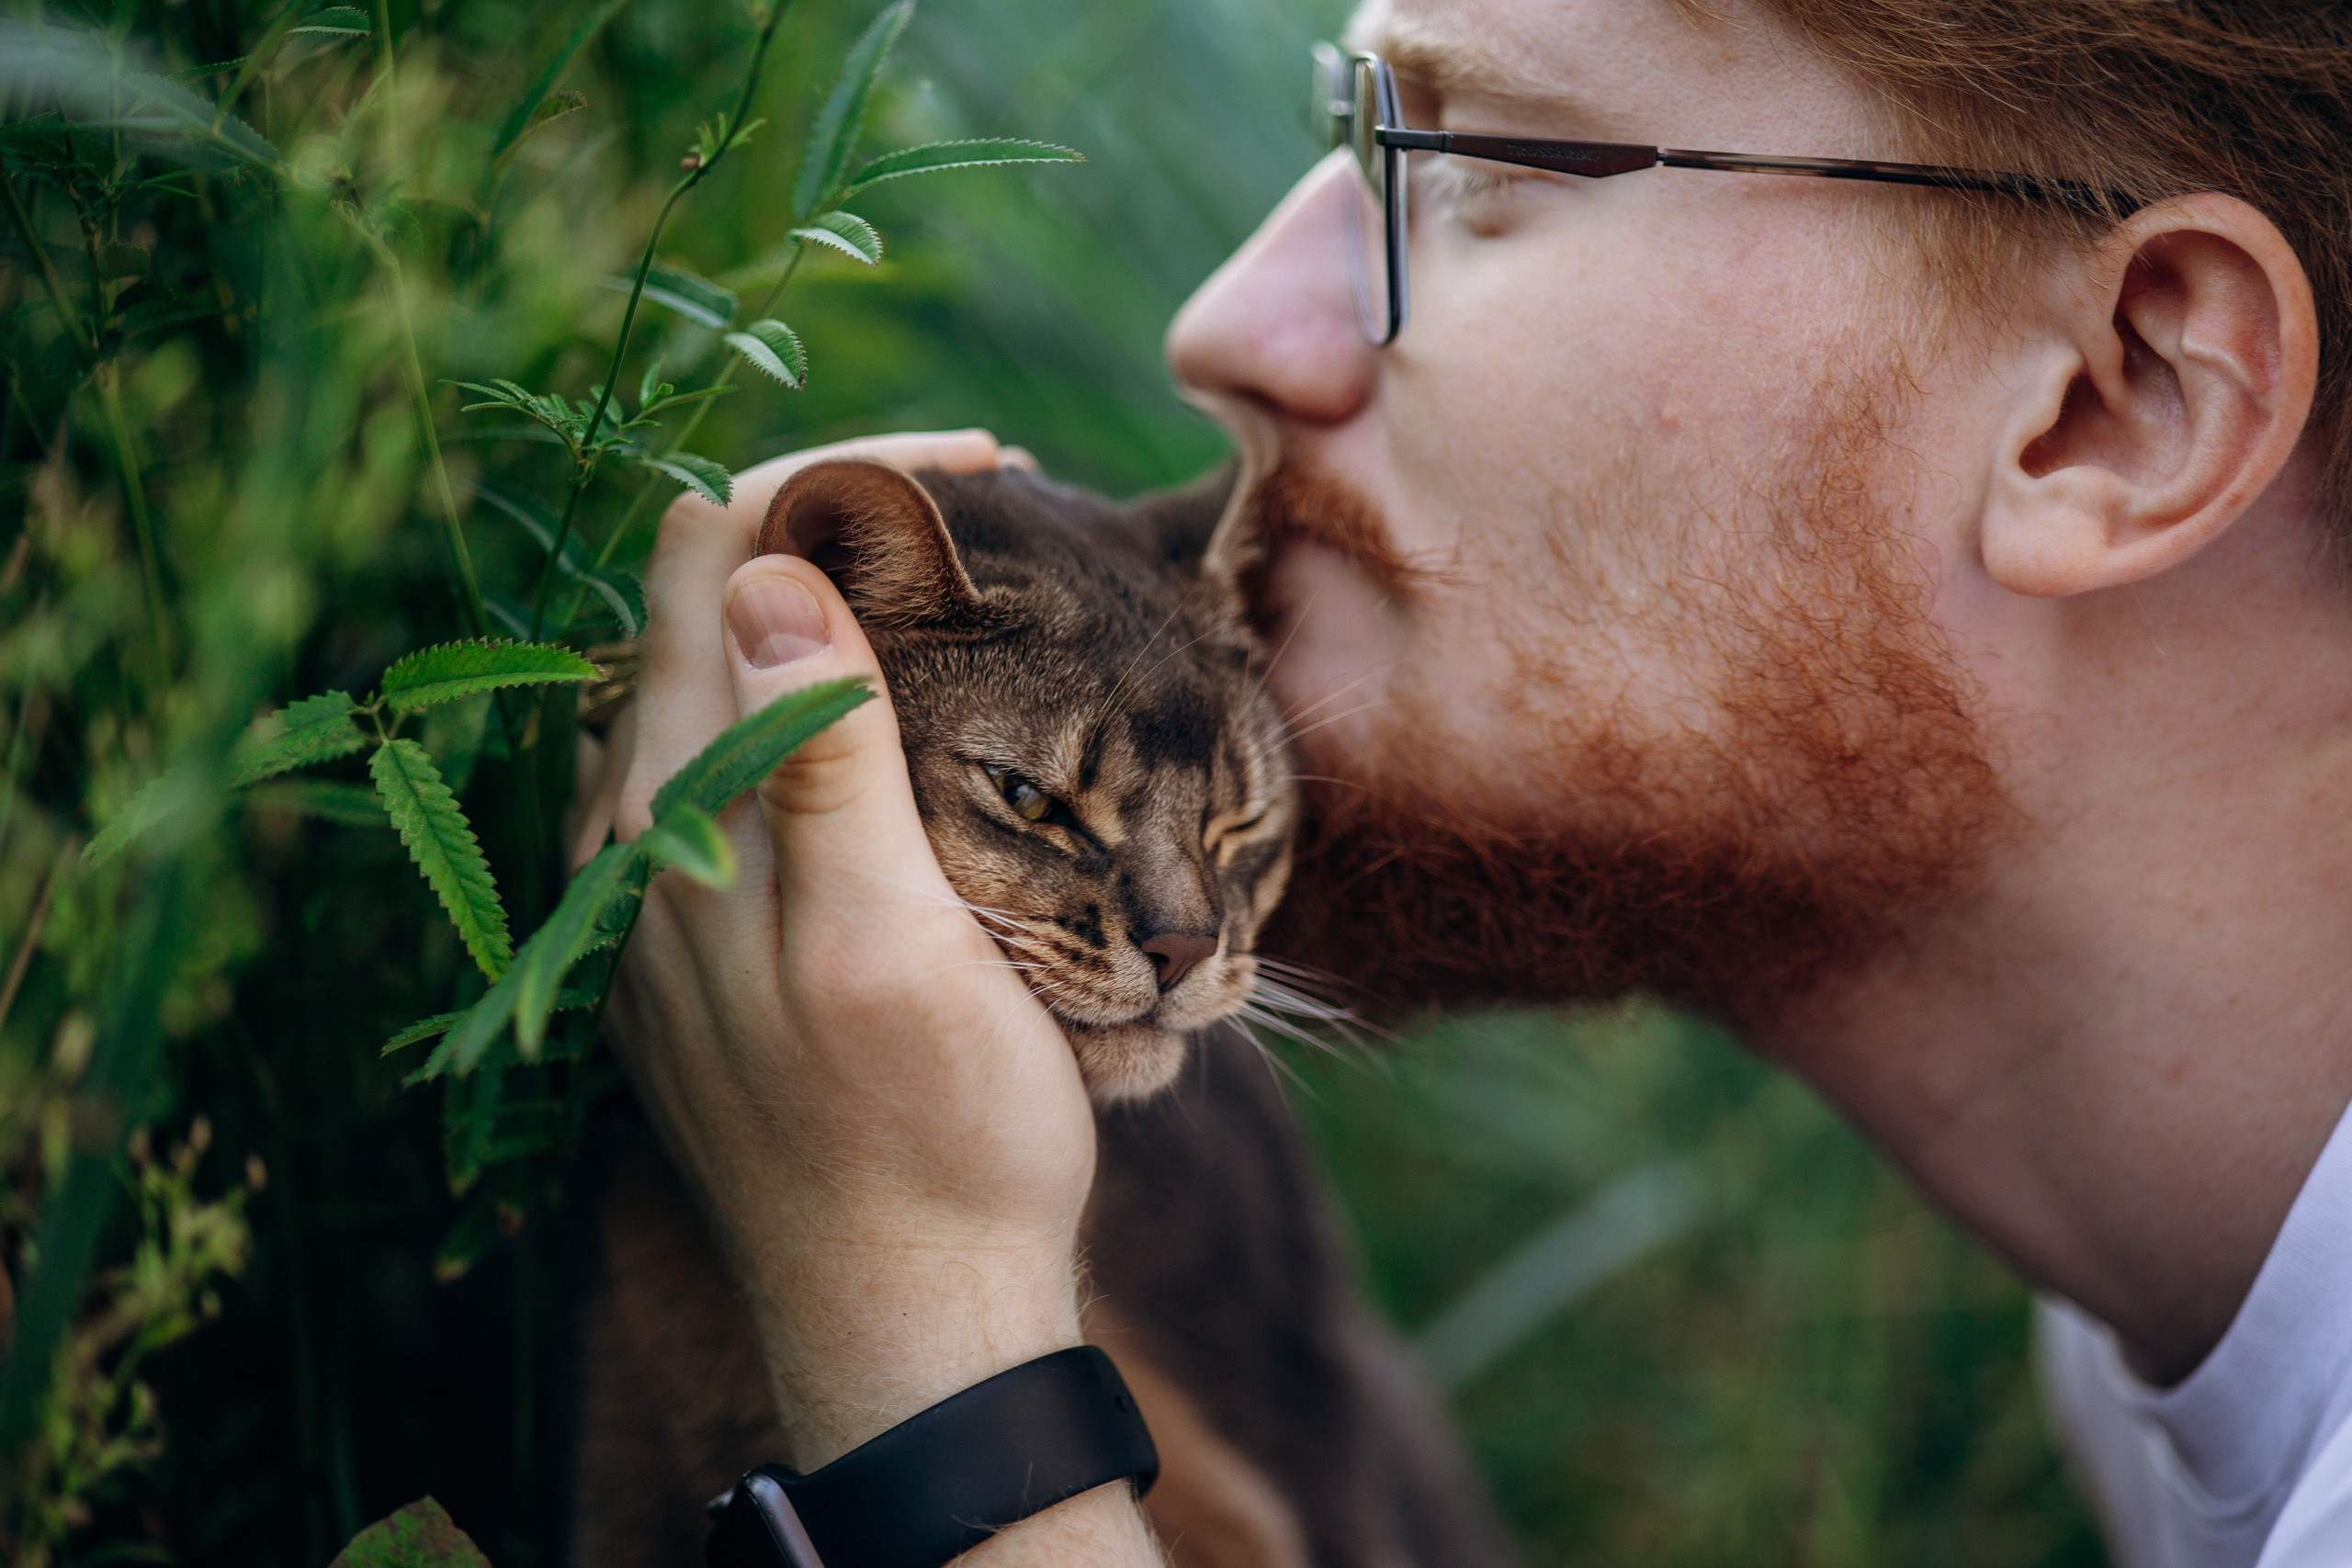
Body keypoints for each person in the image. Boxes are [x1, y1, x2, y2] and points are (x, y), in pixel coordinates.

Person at [577, 0, 2352, 1562]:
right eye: (1347, 134)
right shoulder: (2153, 1364)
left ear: (2113, 403)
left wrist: (917, 1332)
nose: (1226, 325)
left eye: (1471, 159)